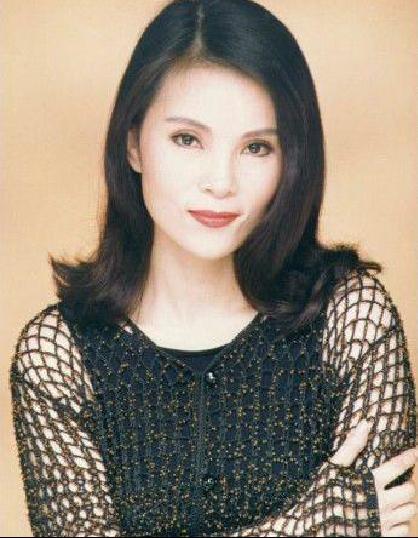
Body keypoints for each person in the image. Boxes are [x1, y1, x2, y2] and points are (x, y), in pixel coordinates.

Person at [9, 0, 417, 536]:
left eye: (257, 147)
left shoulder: (352, 320)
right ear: (133, 144)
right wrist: (308, 524)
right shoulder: (57, 357)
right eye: (187, 139)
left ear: (292, 160)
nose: (221, 182)